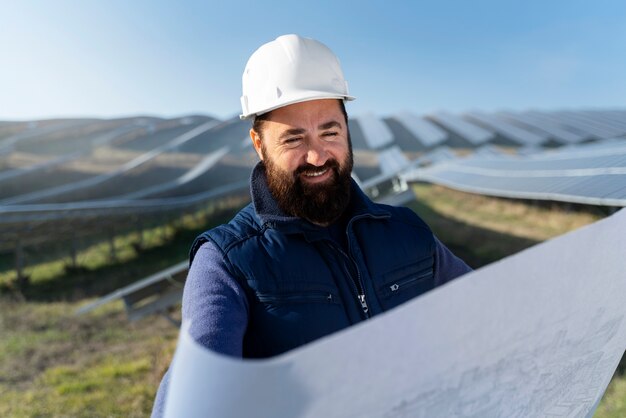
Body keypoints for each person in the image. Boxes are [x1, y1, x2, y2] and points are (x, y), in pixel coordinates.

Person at [151, 34, 471, 416]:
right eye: (293, 139)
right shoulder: (228, 263)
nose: (317, 155)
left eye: (330, 132)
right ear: (259, 144)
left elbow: (494, 313)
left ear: (348, 131)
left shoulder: (409, 232)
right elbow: (192, 401)